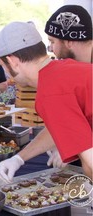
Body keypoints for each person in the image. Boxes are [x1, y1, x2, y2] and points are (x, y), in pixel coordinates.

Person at [0, 22, 92, 183]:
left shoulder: (51, 91)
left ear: (13, 60)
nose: (7, 74)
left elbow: (91, 161)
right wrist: (19, 158)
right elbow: (58, 127)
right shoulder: (62, 70)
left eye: (3, 66)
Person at [43, 4, 93, 168]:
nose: (51, 48)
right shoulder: (75, 72)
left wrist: (75, 148)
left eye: (52, 41)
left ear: (69, 41)